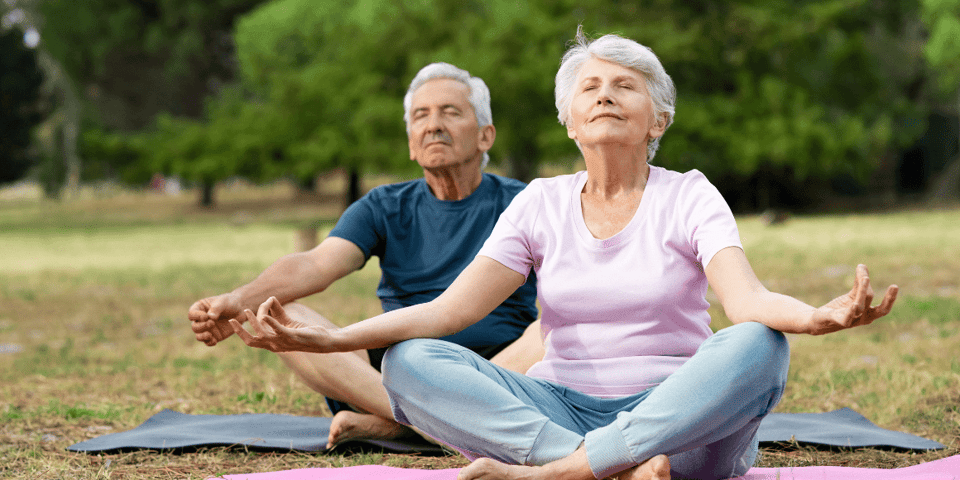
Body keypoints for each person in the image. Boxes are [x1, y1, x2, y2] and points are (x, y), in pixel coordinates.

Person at [228, 31, 899, 480]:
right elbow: (447, 313)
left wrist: (817, 316)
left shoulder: (690, 195)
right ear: (571, 120)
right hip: (560, 408)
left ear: (658, 119)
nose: (605, 92)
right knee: (409, 362)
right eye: (590, 86)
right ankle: (611, 465)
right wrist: (335, 339)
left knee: (759, 345)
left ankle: (564, 475)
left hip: (681, 419)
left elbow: (746, 301)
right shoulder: (541, 203)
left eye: (625, 85)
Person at [188, 62, 542, 449]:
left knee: (550, 331)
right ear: (411, 141)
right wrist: (239, 299)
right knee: (279, 313)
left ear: (485, 136)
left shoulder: (525, 202)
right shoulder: (383, 206)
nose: (433, 125)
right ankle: (436, 423)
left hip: (498, 368)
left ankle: (402, 424)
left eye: (451, 112)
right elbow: (317, 264)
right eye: (421, 116)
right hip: (397, 370)